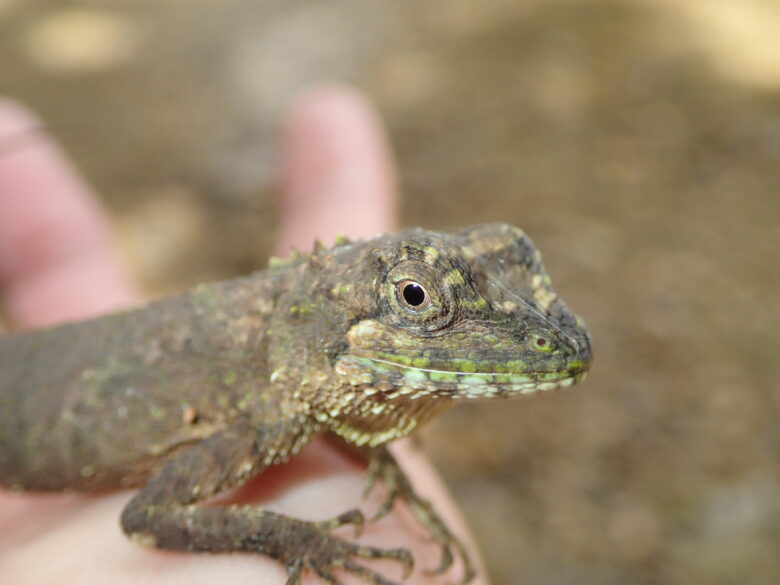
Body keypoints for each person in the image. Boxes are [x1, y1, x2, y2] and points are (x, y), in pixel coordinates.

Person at [0, 87, 487, 584]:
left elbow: (326, 393)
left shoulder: (293, 374)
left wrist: (375, 454)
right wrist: (295, 540)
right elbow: (150, 517)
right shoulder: (265, 417)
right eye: (414, 299)